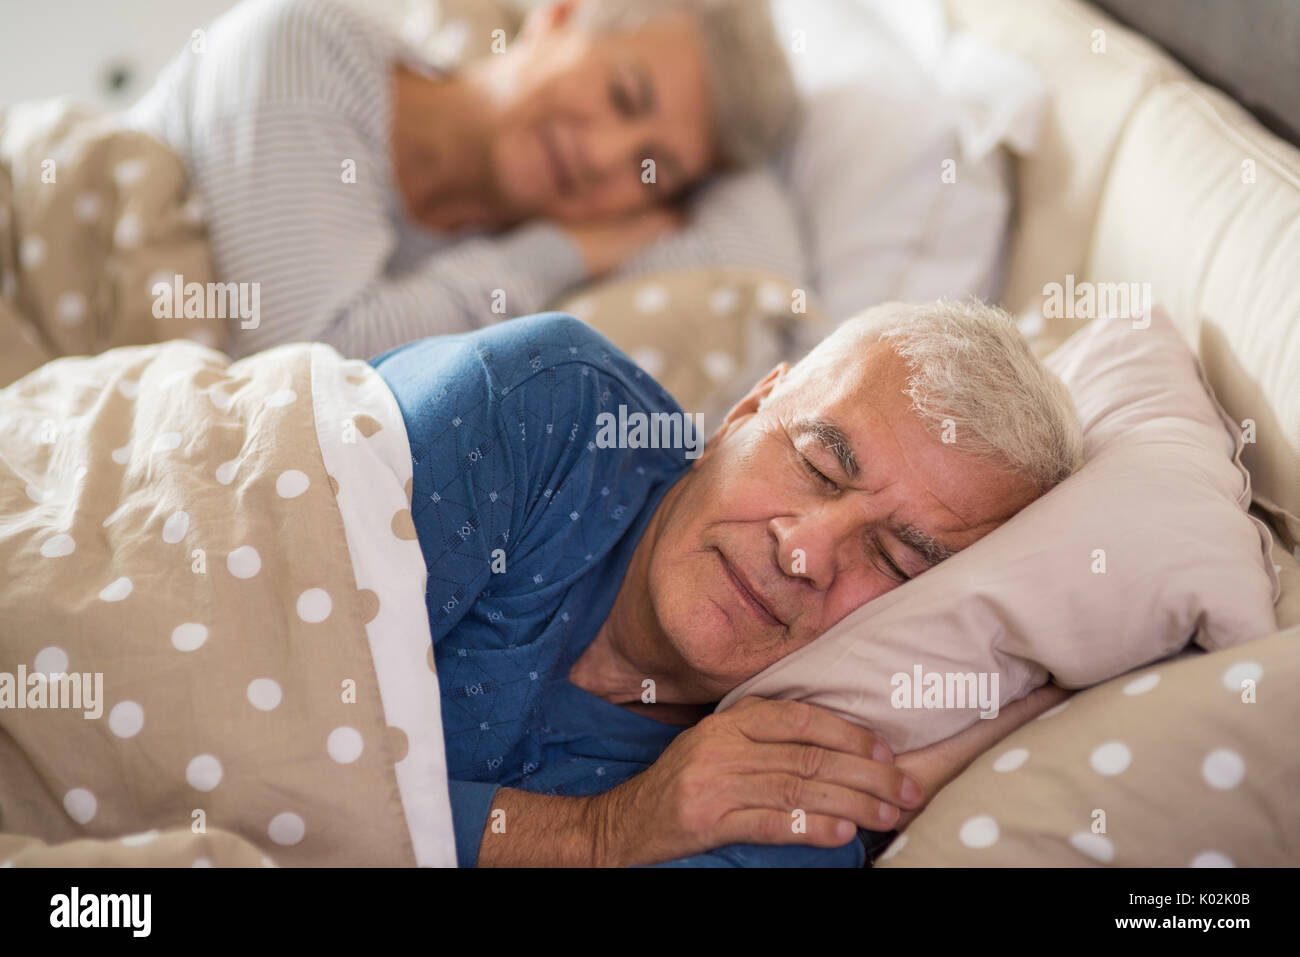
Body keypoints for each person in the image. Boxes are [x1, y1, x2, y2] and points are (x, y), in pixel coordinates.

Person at [369, 298, 1085, 867]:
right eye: (816, 465)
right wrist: (597, 835)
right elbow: (264, 733)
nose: (803, 550)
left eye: (896, 561)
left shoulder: (785, 793)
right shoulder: (544, 406)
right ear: (746, 410)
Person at [126, 0, 806, 357]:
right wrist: (563, 251)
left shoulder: (504, 245)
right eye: (625, 96)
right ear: (562, 14)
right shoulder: (307, 48)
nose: (605, 156)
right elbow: (310, 365)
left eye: (651, 171)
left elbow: (764, 274)